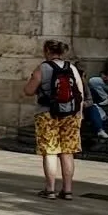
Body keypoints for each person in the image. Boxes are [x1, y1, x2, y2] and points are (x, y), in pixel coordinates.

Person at [24, 39, 84, 199]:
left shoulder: (42, 68)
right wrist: (79, 114)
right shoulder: (71, 68)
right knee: (67, 152)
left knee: (50, 152)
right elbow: (80, 93)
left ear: (47, 51)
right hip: (71, 115)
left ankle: (50, 189)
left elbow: (28, 91)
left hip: (47, 115)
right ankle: (68, 190)